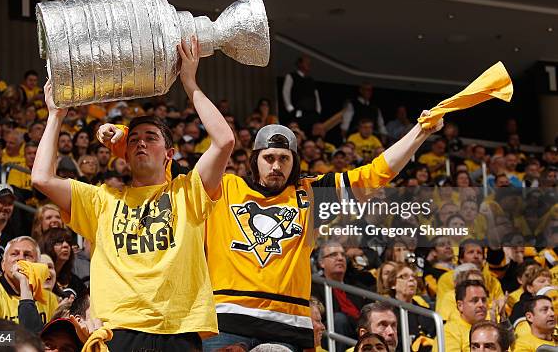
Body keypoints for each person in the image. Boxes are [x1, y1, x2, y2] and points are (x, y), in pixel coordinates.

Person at [101, 108, 444, 350]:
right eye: (269, 157)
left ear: (295, 164)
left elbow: (373, 175)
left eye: (284, 158)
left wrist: (420, 132)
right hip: (224, 324)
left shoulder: (309, 194)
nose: (276, 165)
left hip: (286, 330)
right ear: (255, 160)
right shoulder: (225, 187)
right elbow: (162, 176)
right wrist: (122, 143)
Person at [32, 37, 234, 351]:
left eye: (150, 138)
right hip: (117, 328)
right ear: (124, 153)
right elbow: (42, 178)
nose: (140, 143)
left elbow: (224, 141)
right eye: (134, 139)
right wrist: (55, 115)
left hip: (178, 330)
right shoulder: (102, 199)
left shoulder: (188, 192)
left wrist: (190, 83)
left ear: (169, 154)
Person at [0, 236, 59, 330]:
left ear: (38, 266)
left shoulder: (49, 298)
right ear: (3, 264)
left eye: (27, 255)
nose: (21, 259)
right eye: (14, 254)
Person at [433, 280, 490, 352]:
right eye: (475, 300)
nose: (481, 304)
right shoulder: (449, 331)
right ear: (460, 306)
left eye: (484, 300)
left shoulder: (491, 328)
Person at [282, 55, 321, 133]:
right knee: (298, 131)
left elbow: (316, 96)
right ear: (299, 64)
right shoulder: (291, 76)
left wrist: (318, 110)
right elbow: (286, 92)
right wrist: (290, 108)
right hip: (298, 112)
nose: (308, 64)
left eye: (309, 63)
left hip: (311, 113)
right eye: (306, 62)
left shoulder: (311, 80)